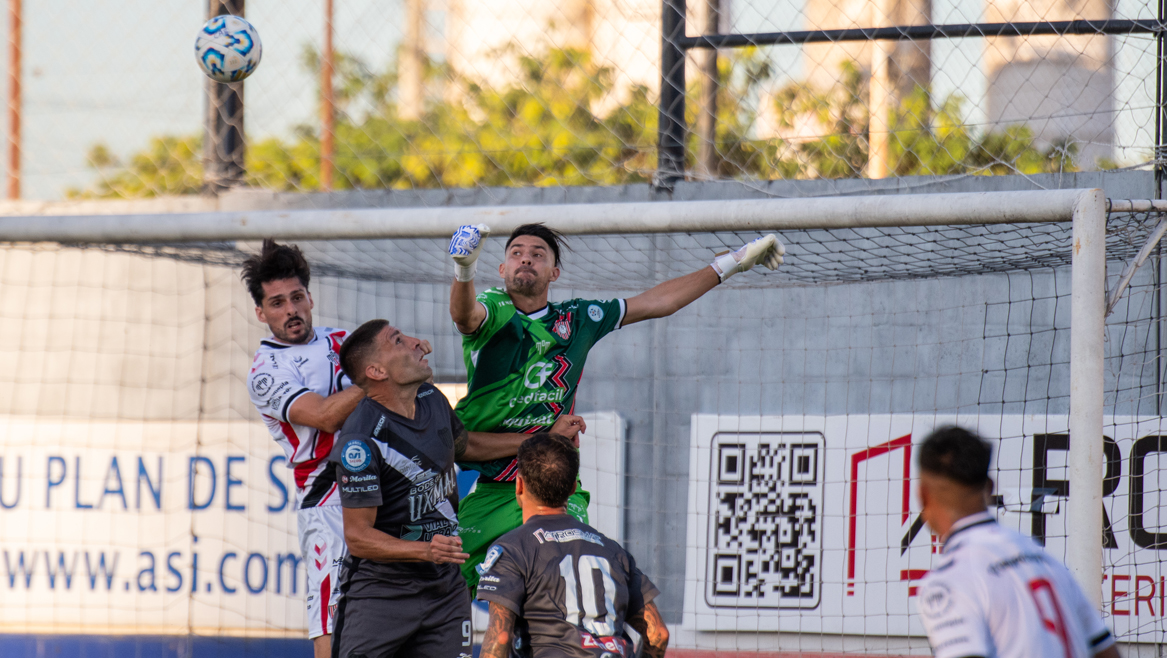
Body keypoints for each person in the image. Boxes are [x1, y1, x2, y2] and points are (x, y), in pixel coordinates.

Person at [447, 222, 784, 589]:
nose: (525, 257)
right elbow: (466, 317)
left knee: (560, 584)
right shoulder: (494, 309)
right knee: (445, 582)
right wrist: (464, 269)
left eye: (537, 254)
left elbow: (659, 302)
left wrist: (732, 263)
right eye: (516, 253)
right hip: (493, 487)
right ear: (502, 269)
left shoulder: (577, 319)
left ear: (554, 273)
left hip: (554, 490)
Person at [328, 319, 584, 657]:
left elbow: (465, 446)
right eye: (399, 341)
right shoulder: (360, 441)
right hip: (381, 593)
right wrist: (425, 550)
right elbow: (358, 536)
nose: (422, 343)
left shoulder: (432, 398)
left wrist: (542, 439)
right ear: (376, 371)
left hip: (445, 588)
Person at [243, 239, 363, 658]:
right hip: (327, 498)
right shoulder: (265, 373)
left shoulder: (344, 341)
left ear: (310, 298)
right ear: (261, 312)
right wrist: (381, 376)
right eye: (277, 303)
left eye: (296, 297)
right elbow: (327, 416)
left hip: (382, 489)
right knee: (331, 620)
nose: (290, 310)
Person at [915, 426, 1120, 658]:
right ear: (990, 488)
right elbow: (1107, 652)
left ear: (923, 495)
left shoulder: (948, 581)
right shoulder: (1042, 557)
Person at [477, 433, 669, 658]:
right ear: (572, 488)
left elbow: (499, 638)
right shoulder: (613, 551)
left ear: (519, 484)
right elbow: (658, 634)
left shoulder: (512, 549)